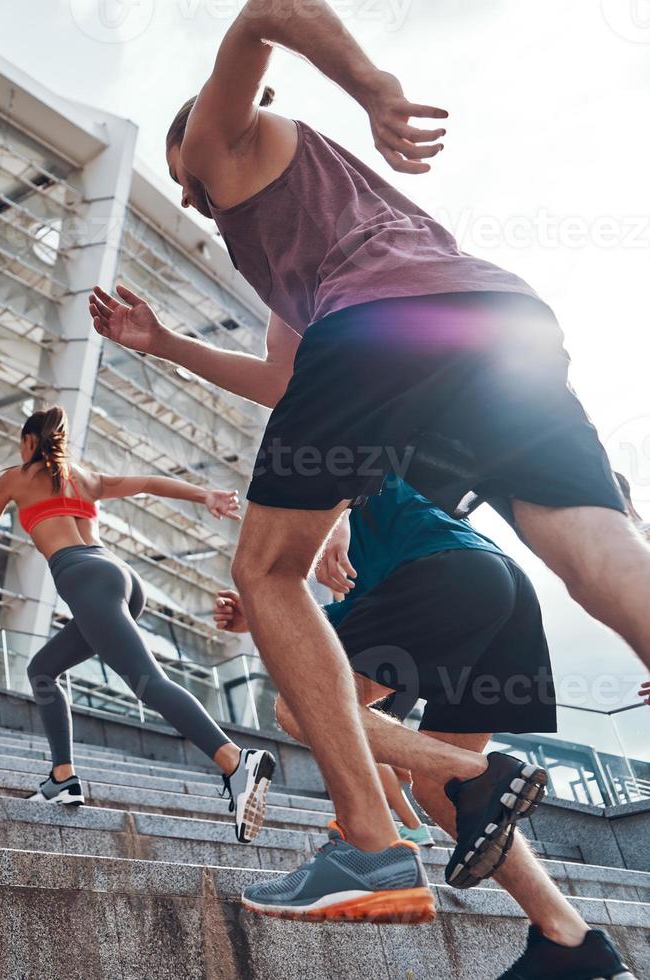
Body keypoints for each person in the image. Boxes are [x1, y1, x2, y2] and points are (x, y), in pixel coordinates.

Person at [91, 0, 650, 923]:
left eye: (182, 177)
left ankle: (368, 847)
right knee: (593, 545)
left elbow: (268, 11)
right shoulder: (308, 229)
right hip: (495, 319)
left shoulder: (228, 138)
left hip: (383, 321)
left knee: (266, 568)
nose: (190, 195)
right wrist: (167, 345)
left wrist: (375, 89)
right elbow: (285, 377)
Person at [214, 474, 634, 978]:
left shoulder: (345, 464)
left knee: (299, 706)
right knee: (437, 789)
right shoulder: (367, 572)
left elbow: (364, 454)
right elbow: (322, 643)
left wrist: (340, 515)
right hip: (500, 591)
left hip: (447, 572)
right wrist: (260, 619)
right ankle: (572, 941)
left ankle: (475, 773)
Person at [0, 405, 276, 843]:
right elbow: (146, 483)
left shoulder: (15, 477)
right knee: (42, 670)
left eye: (21, 443)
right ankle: (62, 778)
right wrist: (205, 495)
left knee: (149, 684)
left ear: (30, 442)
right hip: (120, 578)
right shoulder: (85, 477)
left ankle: (236, 761)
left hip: (85, 579)